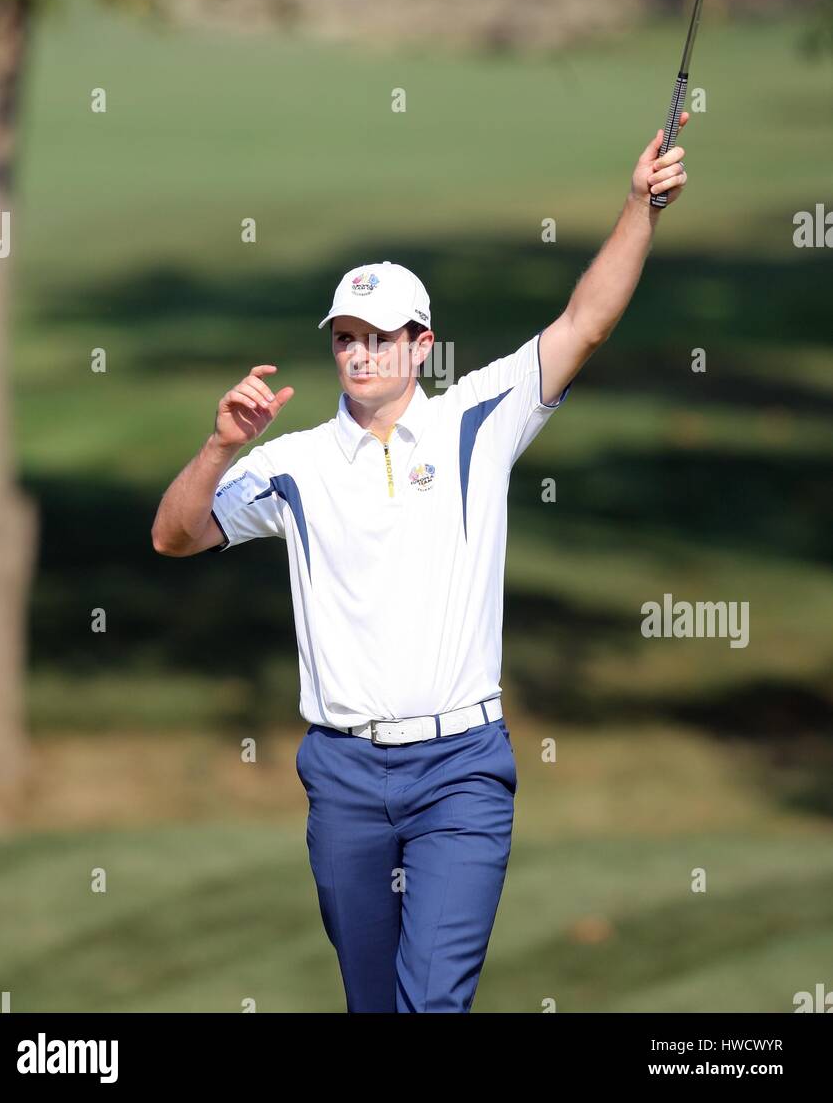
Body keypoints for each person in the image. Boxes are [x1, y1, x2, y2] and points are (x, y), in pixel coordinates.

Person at [151, 119, 689, 1013]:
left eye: (381, 335)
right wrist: (217, 446)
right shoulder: (292, 463)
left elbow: (585, 323)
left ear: (420, 341)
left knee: (432, 1001)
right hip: (344, 774)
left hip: (462, 769)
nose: (362, 351)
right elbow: (175, 536)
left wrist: (639, 206)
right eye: (346, 336)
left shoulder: (478, 418)